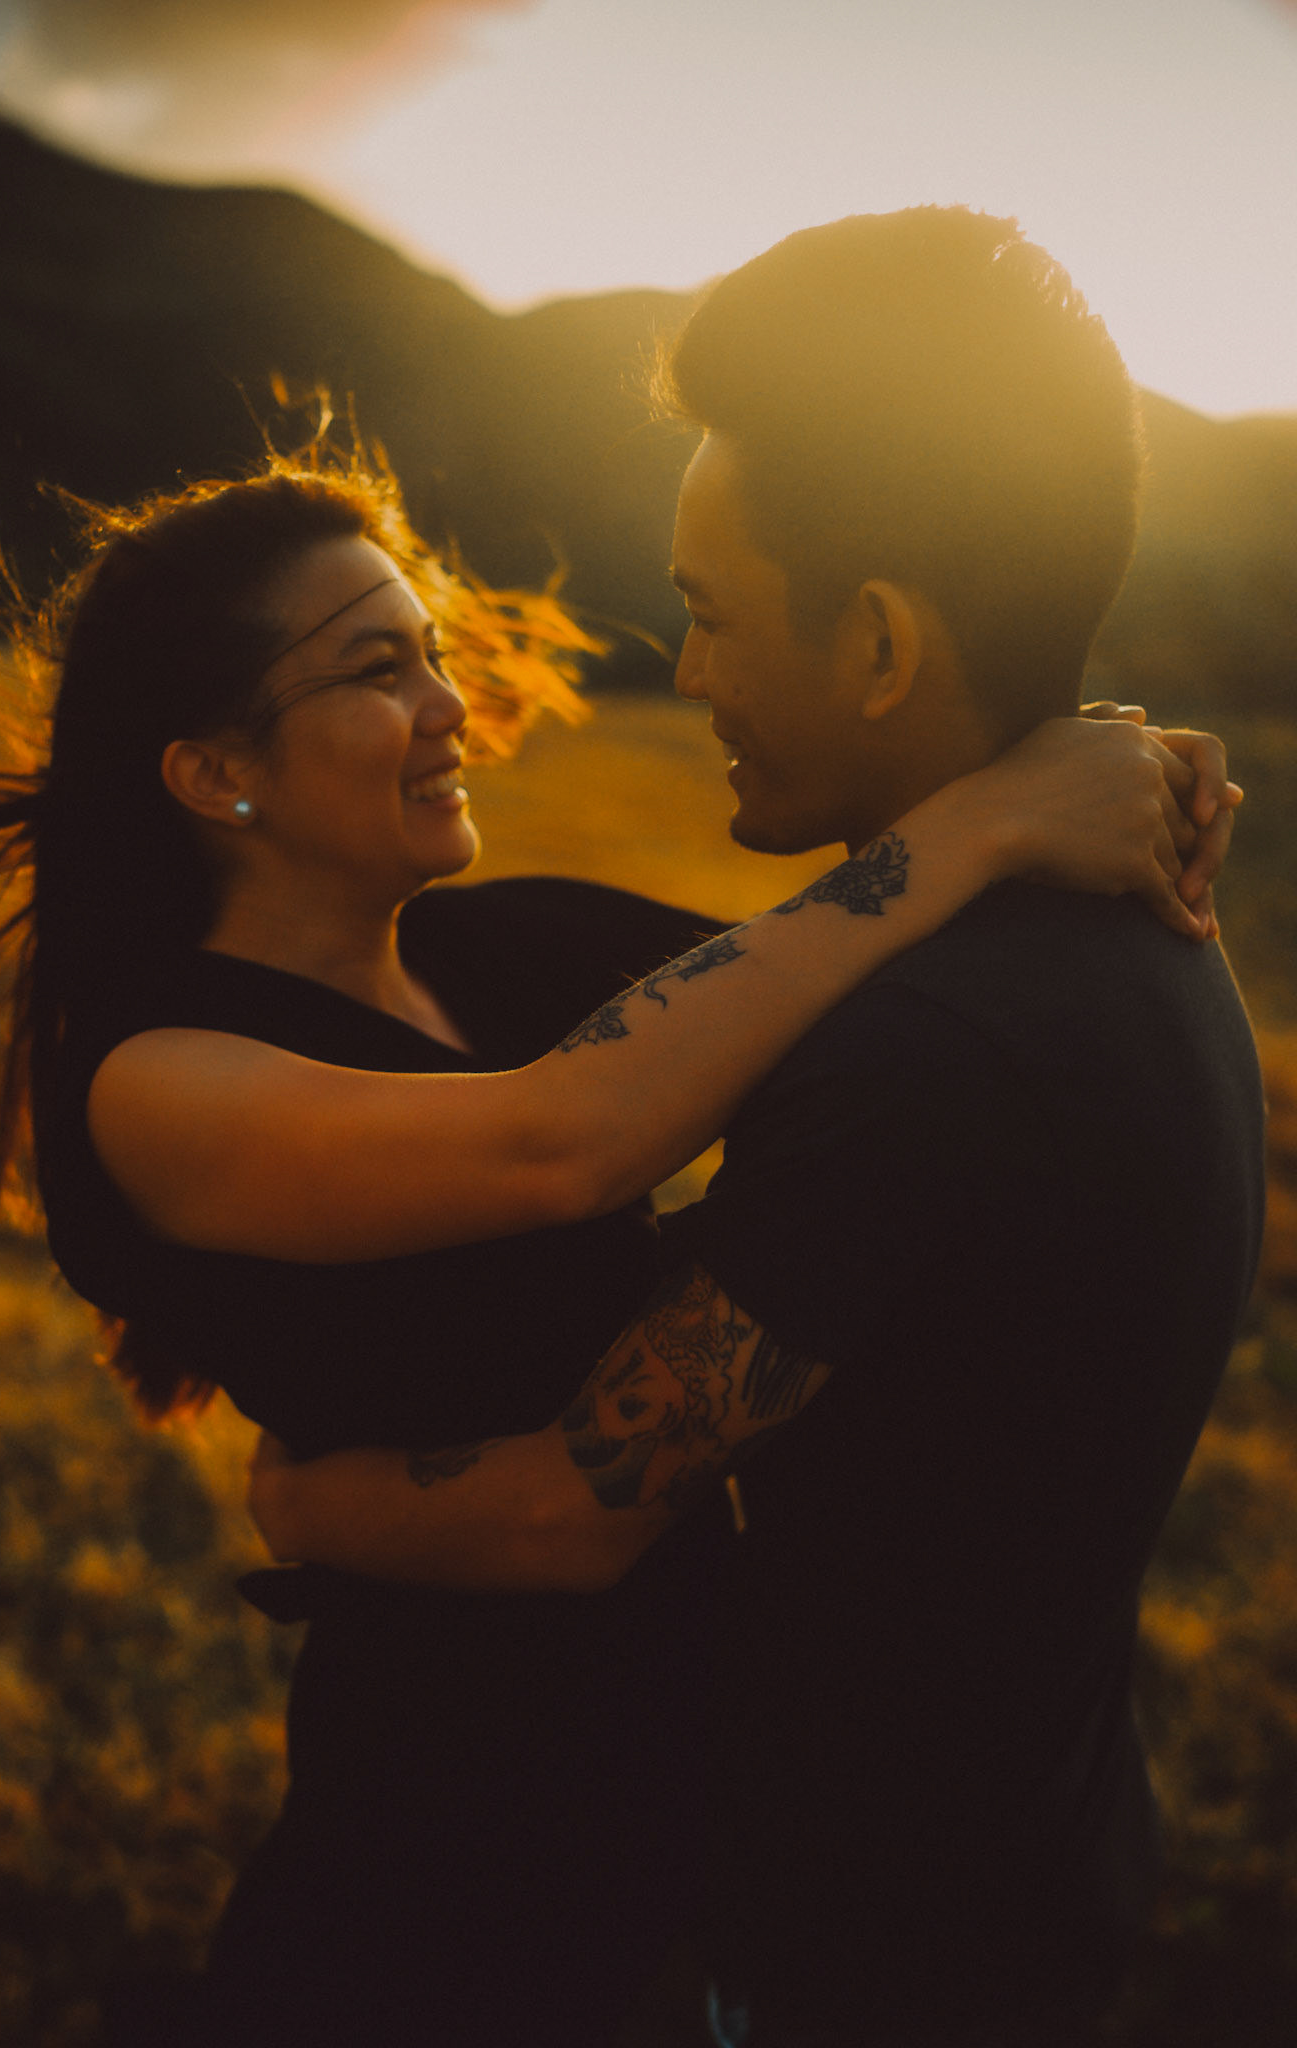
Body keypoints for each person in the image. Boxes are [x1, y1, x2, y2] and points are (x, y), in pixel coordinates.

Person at [245, 208, 1267, 2048]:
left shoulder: (934, 1054)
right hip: (1038, 1853)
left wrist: (308, 1502)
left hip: (870, 1957)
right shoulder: (1097, 919)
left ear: (879, 641)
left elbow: (577, 1505)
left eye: (713, 614)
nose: (690, 668)